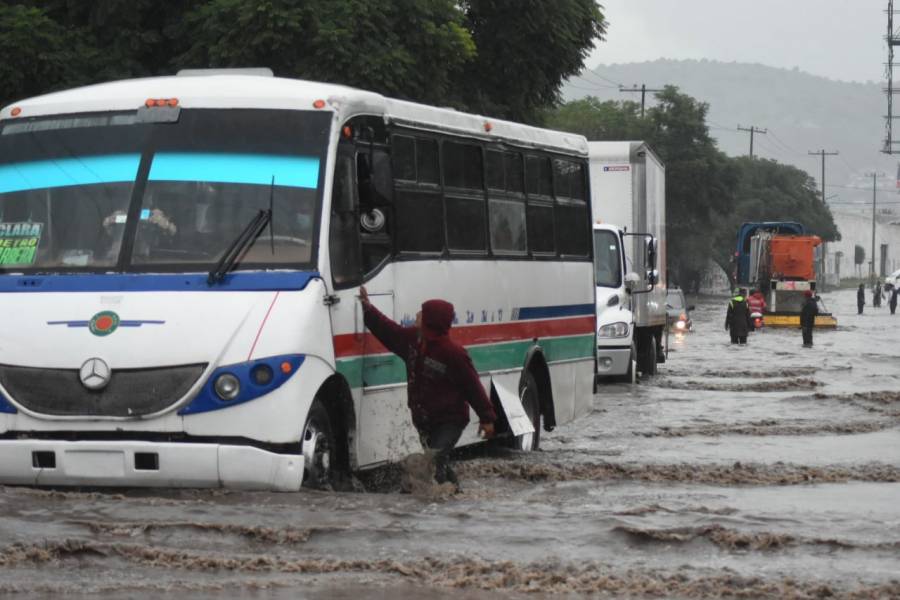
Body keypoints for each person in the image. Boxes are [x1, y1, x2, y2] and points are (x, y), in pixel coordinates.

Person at [358, 286, 497, 491]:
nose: (417, 315)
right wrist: (368, 310)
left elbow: (472, 386)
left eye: (422, 313)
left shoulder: (453, 353)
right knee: (438, 463)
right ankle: (456, 498)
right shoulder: (412, 341)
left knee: (433, 459)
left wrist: (487, 418)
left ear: (431, 321)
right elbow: (388, 331)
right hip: (424, 420)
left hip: (451, 420)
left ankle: (435, 502)